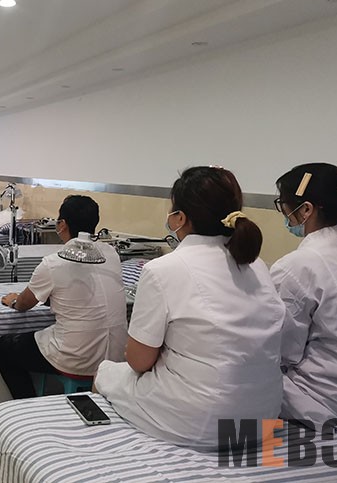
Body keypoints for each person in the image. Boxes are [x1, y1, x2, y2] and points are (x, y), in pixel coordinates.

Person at [95, 166, 285, 450]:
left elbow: (138, 361)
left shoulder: (163, 269)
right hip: (263, 417)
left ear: (180, 217)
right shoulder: (257, 266)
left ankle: (109, 454)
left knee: (105, 372)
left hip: (199, 420)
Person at [0, 195, 127, 399]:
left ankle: (27, 405)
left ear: (62, 224)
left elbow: (23, 304)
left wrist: (13, 300)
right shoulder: (110, 253)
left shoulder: (53, 263)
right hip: (116, 355)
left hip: (77, 358)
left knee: (4, 348)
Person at [270, 163, 337, 427]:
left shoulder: (298, 266)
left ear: (306, 210)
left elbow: (280, 351)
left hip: (328, 401)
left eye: (283, 205)